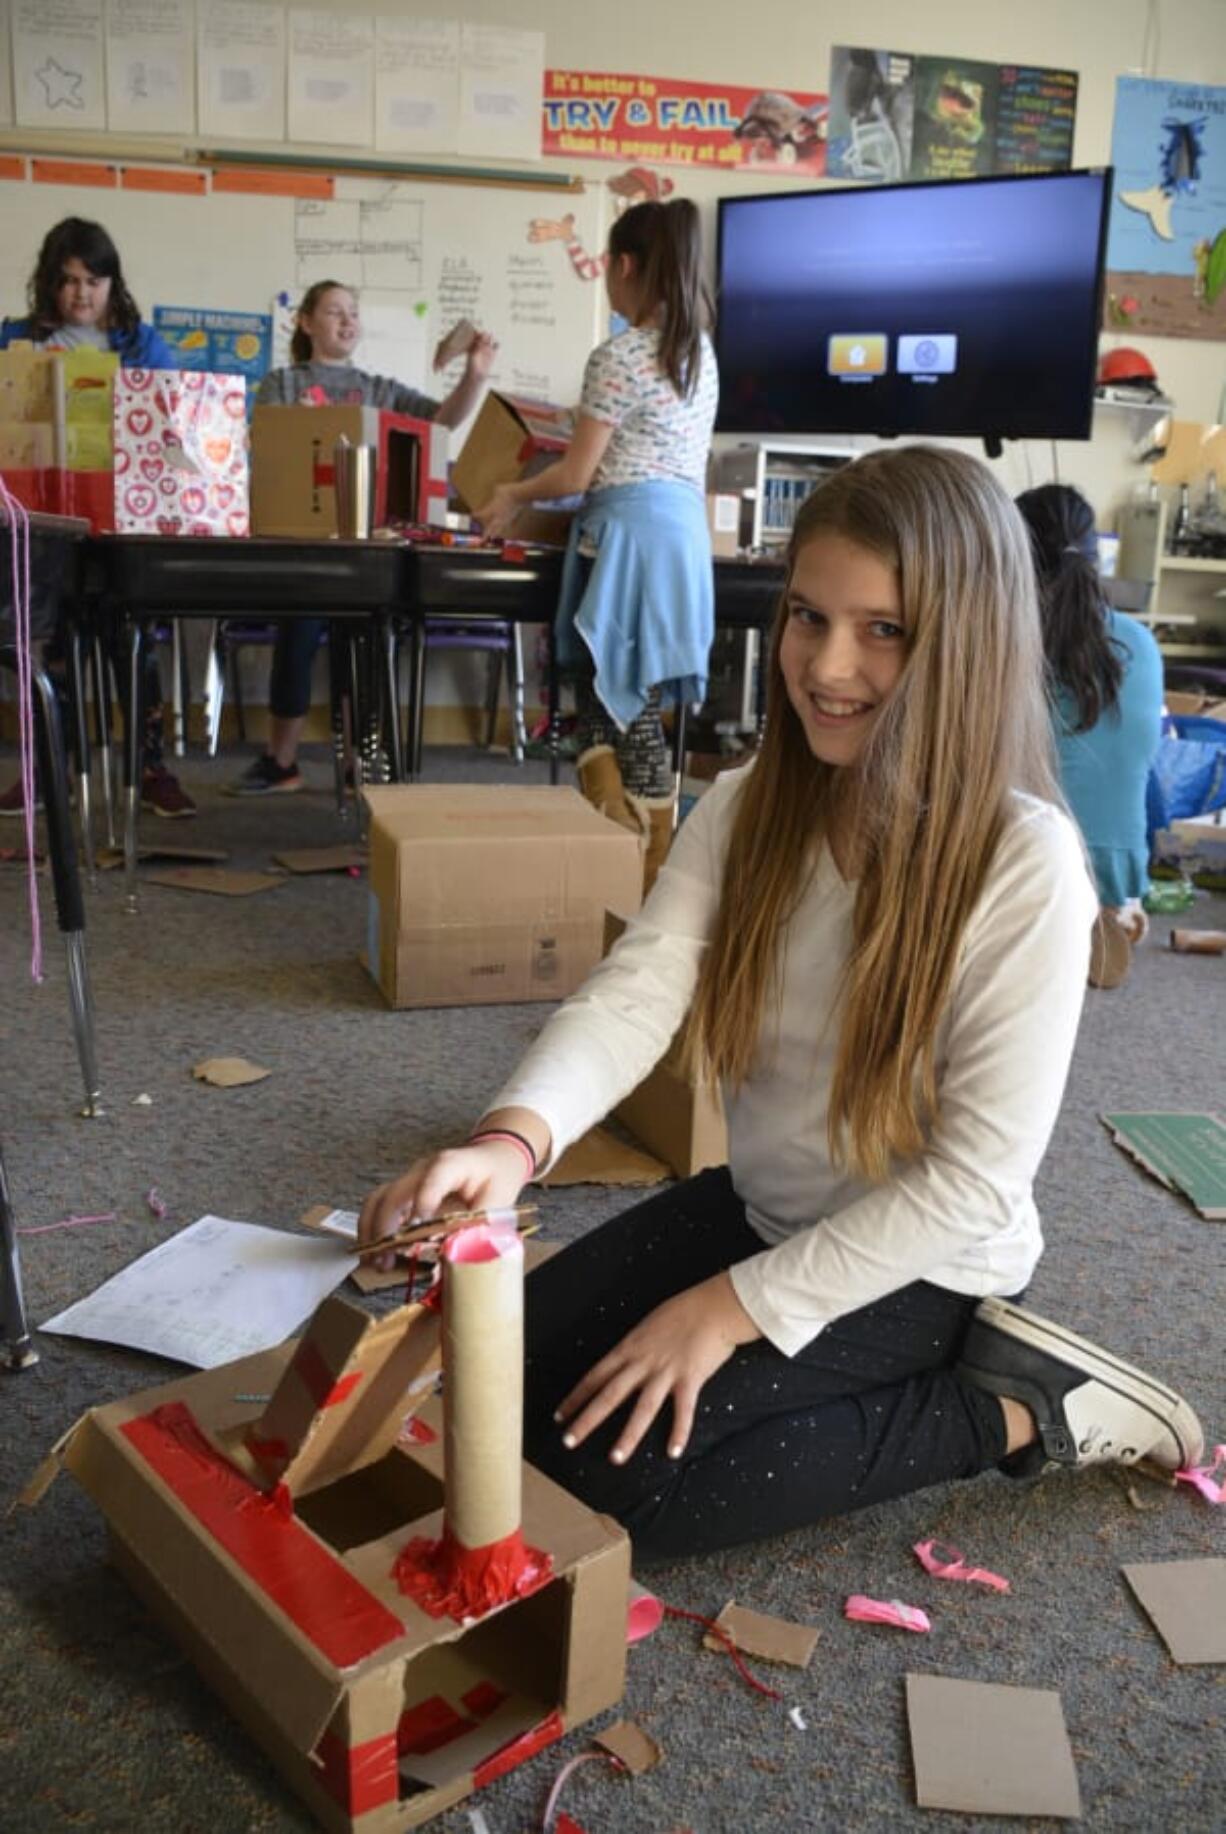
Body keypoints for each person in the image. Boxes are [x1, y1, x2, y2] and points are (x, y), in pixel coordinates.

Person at [358, 446, 1203, 1564]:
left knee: (606, 1491)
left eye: (881, 629)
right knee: (492, 1386)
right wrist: (513, 1143)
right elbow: (639, 987)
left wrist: (725, 1310)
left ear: (965, 646)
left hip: (922, 1266)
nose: (825, 665)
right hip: (762, 1205)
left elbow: (968, 1185)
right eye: (807, 618)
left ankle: (1009, 1405)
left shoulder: (1025, 862)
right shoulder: (758, 796)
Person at [477, 199, 719, 891]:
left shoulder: (619, 355)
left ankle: (635, 875)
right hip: (681, 546)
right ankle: (641, 869)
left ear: (624, 266)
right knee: (642, 709)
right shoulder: (701, 355)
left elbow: (577, 475)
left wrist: (511, 494)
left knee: (607, 712)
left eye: (609, 271)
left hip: (627, 547)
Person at [226, 282, 496, 795]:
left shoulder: (379, 388)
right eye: (334, 312)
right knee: (297, 631)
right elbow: (269, 448)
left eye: (354, 313)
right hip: (302, 541)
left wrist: (474, 377)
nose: (348, 322)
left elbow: (442, 424)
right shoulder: (281, 383)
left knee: (366, 638)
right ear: (305, 323)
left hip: (365, 545)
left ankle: (359, 761)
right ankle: (281, 760)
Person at [0, 218, 194, 818]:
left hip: (119, 523)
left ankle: (150, 766)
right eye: (68, 280)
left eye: (93, 279)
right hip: (43, 523)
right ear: (49, 285)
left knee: (131, 635)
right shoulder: (17, 338)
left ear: (113, 283)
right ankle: (42, 767)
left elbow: (174, 433)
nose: (81, 294)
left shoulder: (142, 344)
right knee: (36, 637)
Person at [1016, 484, 1164, 990]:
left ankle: (1052, 923)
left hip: (1032, 864)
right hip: (1120, 873)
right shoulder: (1141, 643)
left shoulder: (1013, 640)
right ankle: (1107, 916)